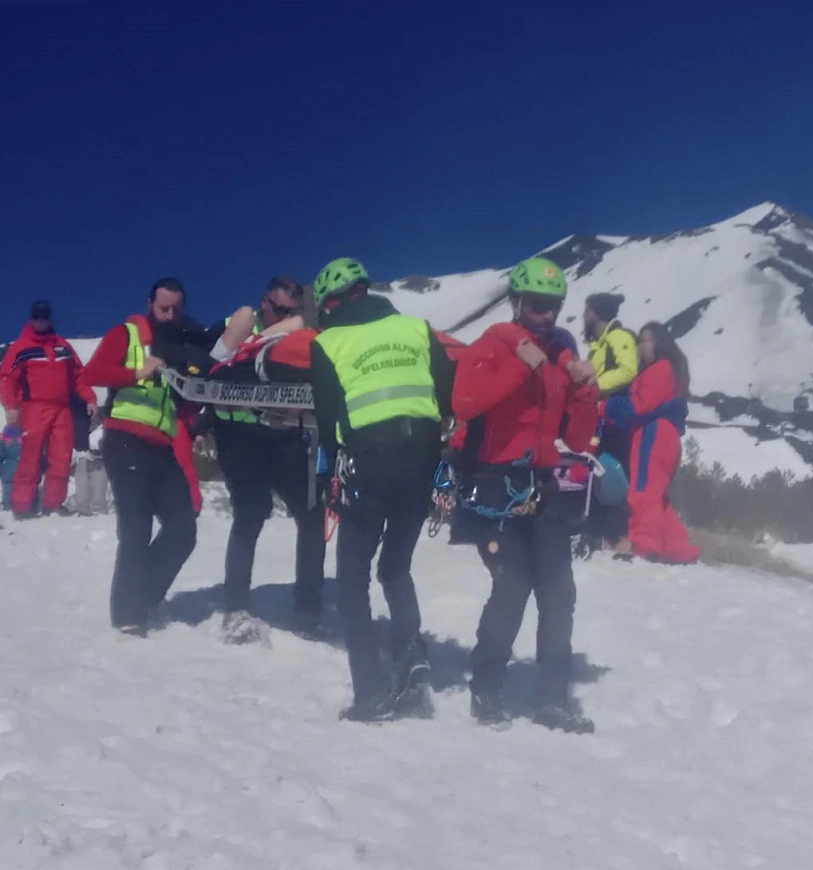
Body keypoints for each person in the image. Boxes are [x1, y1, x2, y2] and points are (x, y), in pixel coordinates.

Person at [451, 256, 599, 733]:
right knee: (512, 586)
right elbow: (465, 401)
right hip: (495, 485)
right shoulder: (494, 342)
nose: (548, 316)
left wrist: (584, 395)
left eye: (554, 306)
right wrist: (519, 365)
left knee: (559, 591)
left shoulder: (561, 352)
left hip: (543, 483)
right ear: (516, 302)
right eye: (537, 305)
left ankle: (553, 697)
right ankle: (487, 686)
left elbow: (576, 441)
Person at [309, 258, 453, 721]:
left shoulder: (327, 342)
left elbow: (329, 422)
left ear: (330, 302)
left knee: (352, 580)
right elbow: (447, 392)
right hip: (422, 462)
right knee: (395, 567)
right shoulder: (416, 328)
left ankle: (370, 690)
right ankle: (411, 653)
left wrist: (328, 481)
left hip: (368, 465)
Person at [205, 276, 325, 640]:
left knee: (311, 515)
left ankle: (308, 608)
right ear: (265, 303)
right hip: (239, 436)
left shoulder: (296, 337)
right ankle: (236, 607)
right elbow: (206, 368)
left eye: (293, 310)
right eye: (280, 309)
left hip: (284, 437)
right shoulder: (234, 326)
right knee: (251, 513)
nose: (285, 316)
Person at [83, 278, 198, 636]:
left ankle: (144, 594)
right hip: (125, 440)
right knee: (136, 528)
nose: (170, 313)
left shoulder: (177, 343)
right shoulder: (127, 332)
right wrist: (136, 372)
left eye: (176, 308)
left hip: (162, 446)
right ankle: (128, 614)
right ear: (150, 303)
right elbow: (93, 372)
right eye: (164, 307)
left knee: (184, 528)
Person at [603, 322, 700, 565]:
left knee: (643, 491)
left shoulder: (660, 369)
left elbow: (638, 406)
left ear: (657, 343)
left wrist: (606, 406)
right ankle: (678, 548)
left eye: (644, 340)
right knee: (658, 497)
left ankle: (642, 545)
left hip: (653, 435)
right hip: (667, 438)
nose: (640, 347)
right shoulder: (673, 371)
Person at [0, 300, 98, 518]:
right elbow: (6, 378)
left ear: (50, 318)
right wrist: (10, 406)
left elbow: (79, 376)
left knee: (61, 457)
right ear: (31, 318)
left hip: (62, 409)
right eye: (37, 316)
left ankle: (53, 504)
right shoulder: (21, 348)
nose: (41, 320)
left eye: (44, 316)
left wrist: (90, 398)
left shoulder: (63, 346)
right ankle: (22, 507)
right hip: (33, 408)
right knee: (30, 458)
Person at [582, 292, 638, 551]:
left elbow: (628, 370)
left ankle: (617, 535)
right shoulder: (600, 345)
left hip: (614, 419)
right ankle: (599, 532)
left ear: (597, 312)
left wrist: (596, 387)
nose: (584, 315)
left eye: (587, 310)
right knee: (597, 469)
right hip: (599, 418)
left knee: (613, 472)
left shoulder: (619, 337)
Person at [72, 414, 109, 515]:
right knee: (81, 476)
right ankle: (82, 507)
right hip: (80, 456)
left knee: (98, 475)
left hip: (98, 460)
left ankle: (98, 507)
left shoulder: (102, 431)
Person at [0, 423, 21, 511]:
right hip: (21, 473)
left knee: (8, 490)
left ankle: (7, 505)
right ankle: (14, 505)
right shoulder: (25, 443)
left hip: (8, 472)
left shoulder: (3, 444)